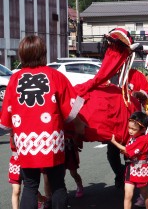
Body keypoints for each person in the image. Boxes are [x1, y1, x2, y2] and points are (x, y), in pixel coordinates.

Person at [0, 35, 85, 209]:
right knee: (57, 184)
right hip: (50, 138)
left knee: (30, 186)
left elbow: (7, 114)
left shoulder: (15, 80)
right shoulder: (54, 76)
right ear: (43, 53)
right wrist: (78, 125)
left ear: (22, 54)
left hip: (26, 140)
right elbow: (70, 108)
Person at [111, 111, 148, 209]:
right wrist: (126, 152)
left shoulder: (143, 139)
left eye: (134, 129)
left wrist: (114, 142)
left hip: (141, 169)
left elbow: (126, 149)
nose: (130, 131)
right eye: (129, 127)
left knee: (145, 194)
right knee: (128, 195)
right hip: (131, 168)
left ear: (143, 129)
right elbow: (129, 151)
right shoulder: (133, 137)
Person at [64, 133, 84, 198]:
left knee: (73, 173)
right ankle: (62, 190)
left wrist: (77, 143)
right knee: (60, 174)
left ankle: (80, 186)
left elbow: (77, 131)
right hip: (59, 150)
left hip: (70, 149)